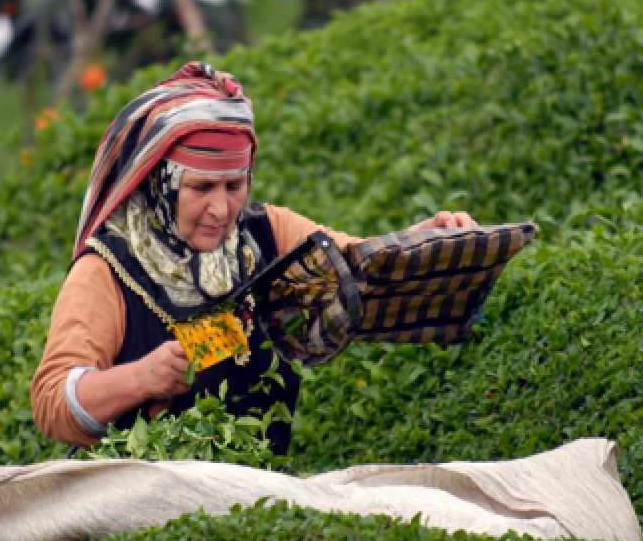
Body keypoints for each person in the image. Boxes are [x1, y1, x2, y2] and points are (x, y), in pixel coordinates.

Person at [31, 62, 475, 455]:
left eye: (234, 186)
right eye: (201, 188)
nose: (222, 210)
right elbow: (52, 402)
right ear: (158, 184)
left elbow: (357, 265)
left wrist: (427, 239)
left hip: (253, 500)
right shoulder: (106, 269)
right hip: (138, 510)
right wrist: (142, 378)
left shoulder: (267, 234)